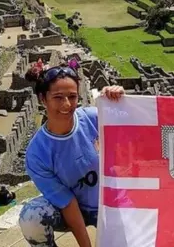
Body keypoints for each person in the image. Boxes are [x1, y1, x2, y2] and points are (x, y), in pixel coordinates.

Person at [18, 65, 124, 247]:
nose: (67, 104)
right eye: (58, 98)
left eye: (72, 97)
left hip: (110, 204)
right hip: (73, 210)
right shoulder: (37, 153)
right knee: (31, 217)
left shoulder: (94, 118)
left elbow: (132, 125)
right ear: (43, 99)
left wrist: (118, 100)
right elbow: (67, 203)